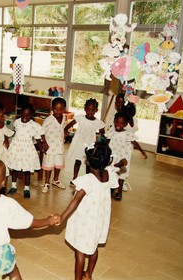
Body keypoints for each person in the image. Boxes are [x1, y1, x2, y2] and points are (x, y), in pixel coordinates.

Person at [58, 141, 119, 280]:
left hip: (86, 221)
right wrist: (119, 164)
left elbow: (75, 201)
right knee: (93, 248)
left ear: (88, 162)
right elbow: (114, 174)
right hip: (100, 219)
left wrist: (62, 217)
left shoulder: (87, 180)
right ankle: (89, 273)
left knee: (80, 254)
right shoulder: (108, 174)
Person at [105, 112, 147, 200]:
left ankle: (119, 191)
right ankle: (111, 189)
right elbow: (106, 142)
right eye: (117, 122)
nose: (119, 125)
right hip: (113, 156)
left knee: (121, 175)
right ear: (114, 121)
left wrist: (142, 151)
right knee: (111, 172)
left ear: (125, 124)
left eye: (122, 123)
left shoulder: (127, 134)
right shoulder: (111, 133)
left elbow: (134, 143)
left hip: (123, 157)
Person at [7, 103, 44, 198]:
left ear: (32, 116)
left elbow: (38, 137)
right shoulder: (17, 122)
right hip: (16, 148)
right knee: (14, 168)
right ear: (20, 113)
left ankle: (26, 188)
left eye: (28, 115)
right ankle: (14, 186)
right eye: (23, 114)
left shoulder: (34, 125)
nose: (25, 116)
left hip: (27, 150)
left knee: (27, 170)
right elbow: (13, 132)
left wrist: (41, 148)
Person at [64, 98, 105, 184]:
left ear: (96, 110)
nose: (90, 112)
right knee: (78, 161)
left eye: (92, 110)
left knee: (88, 163)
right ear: (85, 108)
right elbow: (70, 124)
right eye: (88, 109)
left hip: (90, 145)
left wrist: (102, 140)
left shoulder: (98, 122)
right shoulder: (80, 118)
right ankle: (74, 178)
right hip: (79, 142)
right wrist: (65, 131)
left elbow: (102, 133)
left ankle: (88, 180)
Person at [41, 97, 67, 193]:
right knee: (49, 166)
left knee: (58, 165)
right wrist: (44, 143)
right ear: (52, 108)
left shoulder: (64, 118)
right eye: (56, 109)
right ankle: (46, 183)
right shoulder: (48, 120)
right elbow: (42, 132)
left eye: (61, 109)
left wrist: (65, 133)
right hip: (50, 148)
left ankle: (55, 180)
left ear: (64, 109)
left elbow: (62, 128)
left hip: (59, 147)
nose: (58, 111)